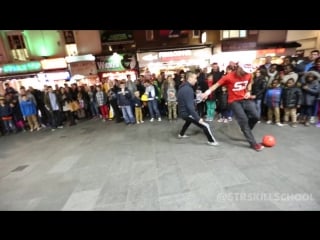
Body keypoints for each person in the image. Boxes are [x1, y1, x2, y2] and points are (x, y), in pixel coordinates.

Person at [202, 63, 264, 151]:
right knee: (244, 120)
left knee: (256, 116)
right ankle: (253, 143)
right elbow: (216, 85)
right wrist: (207, 93)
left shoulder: (248, 74)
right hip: (234, 101)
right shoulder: (228, 77)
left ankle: (246, 130)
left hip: (245, 99)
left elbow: (250, 82)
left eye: (247, 72)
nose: (245, 74)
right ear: (239, 68)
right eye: (244, 71)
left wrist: (248, 91)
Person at [177, 71, 218, 146]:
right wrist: (198, 118)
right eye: (195, 78)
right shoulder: (187, 89)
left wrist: (200, 99)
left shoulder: (183, 87)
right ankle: (212, 141)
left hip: (183, 113)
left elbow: (189, 101)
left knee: (188, 121)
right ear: (190, 78)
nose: (196, 80)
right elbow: (189, 106)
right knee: (205, 125)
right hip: (186, 113)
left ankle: (181, 134)